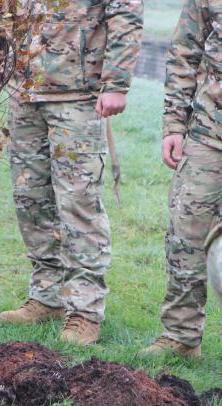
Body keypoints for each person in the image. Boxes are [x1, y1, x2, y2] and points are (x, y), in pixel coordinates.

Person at [0, 0, 143, 345]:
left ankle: (84, 310)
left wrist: (116, 82)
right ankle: (47, 296)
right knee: (29, 198)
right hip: (25, 90)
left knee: (78, 201)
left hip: (77, 94)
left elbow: (126, 12)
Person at [141, 0, 220, 358]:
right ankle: (182, 336)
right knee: (185, 234)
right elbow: (185, 51)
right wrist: (174, 122)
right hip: (209, 133)